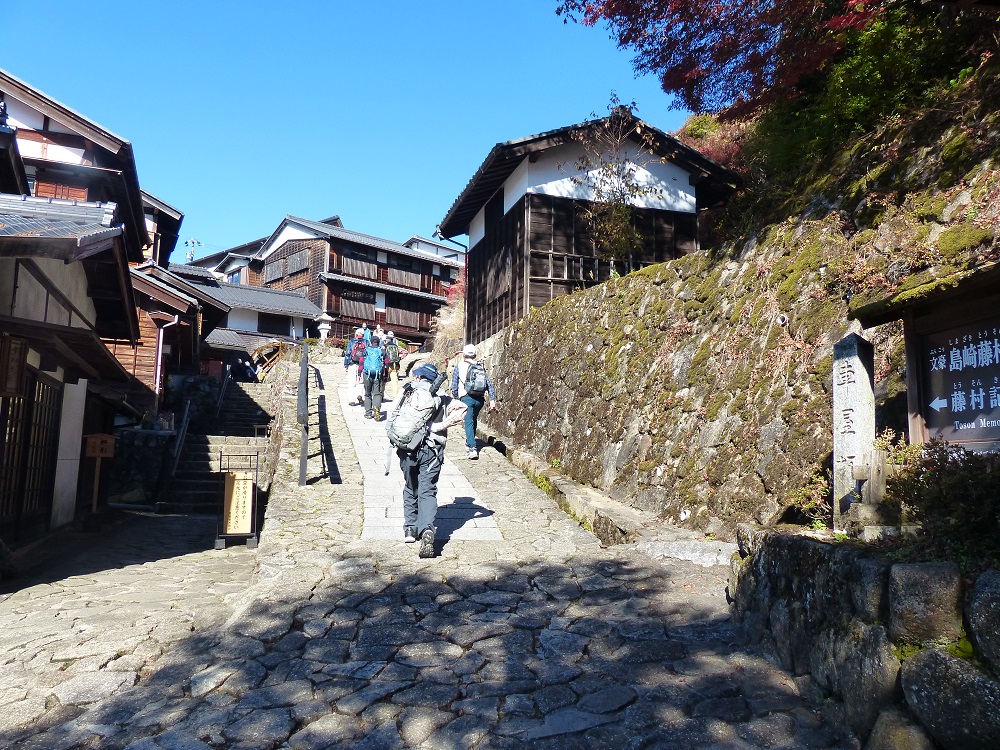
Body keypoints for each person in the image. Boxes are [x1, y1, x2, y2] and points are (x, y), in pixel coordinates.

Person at [395, 363, 467, 557]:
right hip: (432, 450)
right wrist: (439, 426)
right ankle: (427, 528)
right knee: (427, 490)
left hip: (407, 448)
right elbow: (463, 407)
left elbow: (393, 416)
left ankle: (410, 529)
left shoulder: (407, 391)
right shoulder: (442, 397)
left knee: (410, 486)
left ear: (419, 377)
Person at [451, 343, 497, 459]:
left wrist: (456, 399)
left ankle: (472, 448)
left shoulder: (459, 366)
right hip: (479, 400)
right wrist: (492, 399)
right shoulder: (480, 366)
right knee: (473, 420)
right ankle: (469, 442)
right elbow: (489, 384)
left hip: (466, 398)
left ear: (464, 355)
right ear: (475, 355)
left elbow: (454, 385)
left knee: (468, 422)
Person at [361, 335, 386, 420]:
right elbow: (386, 361)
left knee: (368, 393)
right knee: (377, 393)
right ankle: (376, 408)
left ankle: (368, 413)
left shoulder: (366, 350)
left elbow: (361, 361)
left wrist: (359, 373)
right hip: (378, 374)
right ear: (378, 343)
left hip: (367, 373)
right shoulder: (382, 351)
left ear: (370, 343)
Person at [344, 328, 366, 405]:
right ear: (363, 335)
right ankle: (359, 394)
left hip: (352, 363)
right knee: (361, 381)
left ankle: (351, 400)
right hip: (362, 365)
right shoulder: (366, 342)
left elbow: (348, 353)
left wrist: (346, 365)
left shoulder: (352, 341)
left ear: (356, 334)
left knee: (351, 381)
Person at [383, 331, 403, 401]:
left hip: (387, 366)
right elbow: (404, 352)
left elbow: (383, 356)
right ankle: (395, 396)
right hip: (395, 366)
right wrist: (400, 359)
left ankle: (382, 395)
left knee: (384, 381)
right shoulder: (396, 347)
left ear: (386, 340)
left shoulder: (385, 346)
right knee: (394, 382)